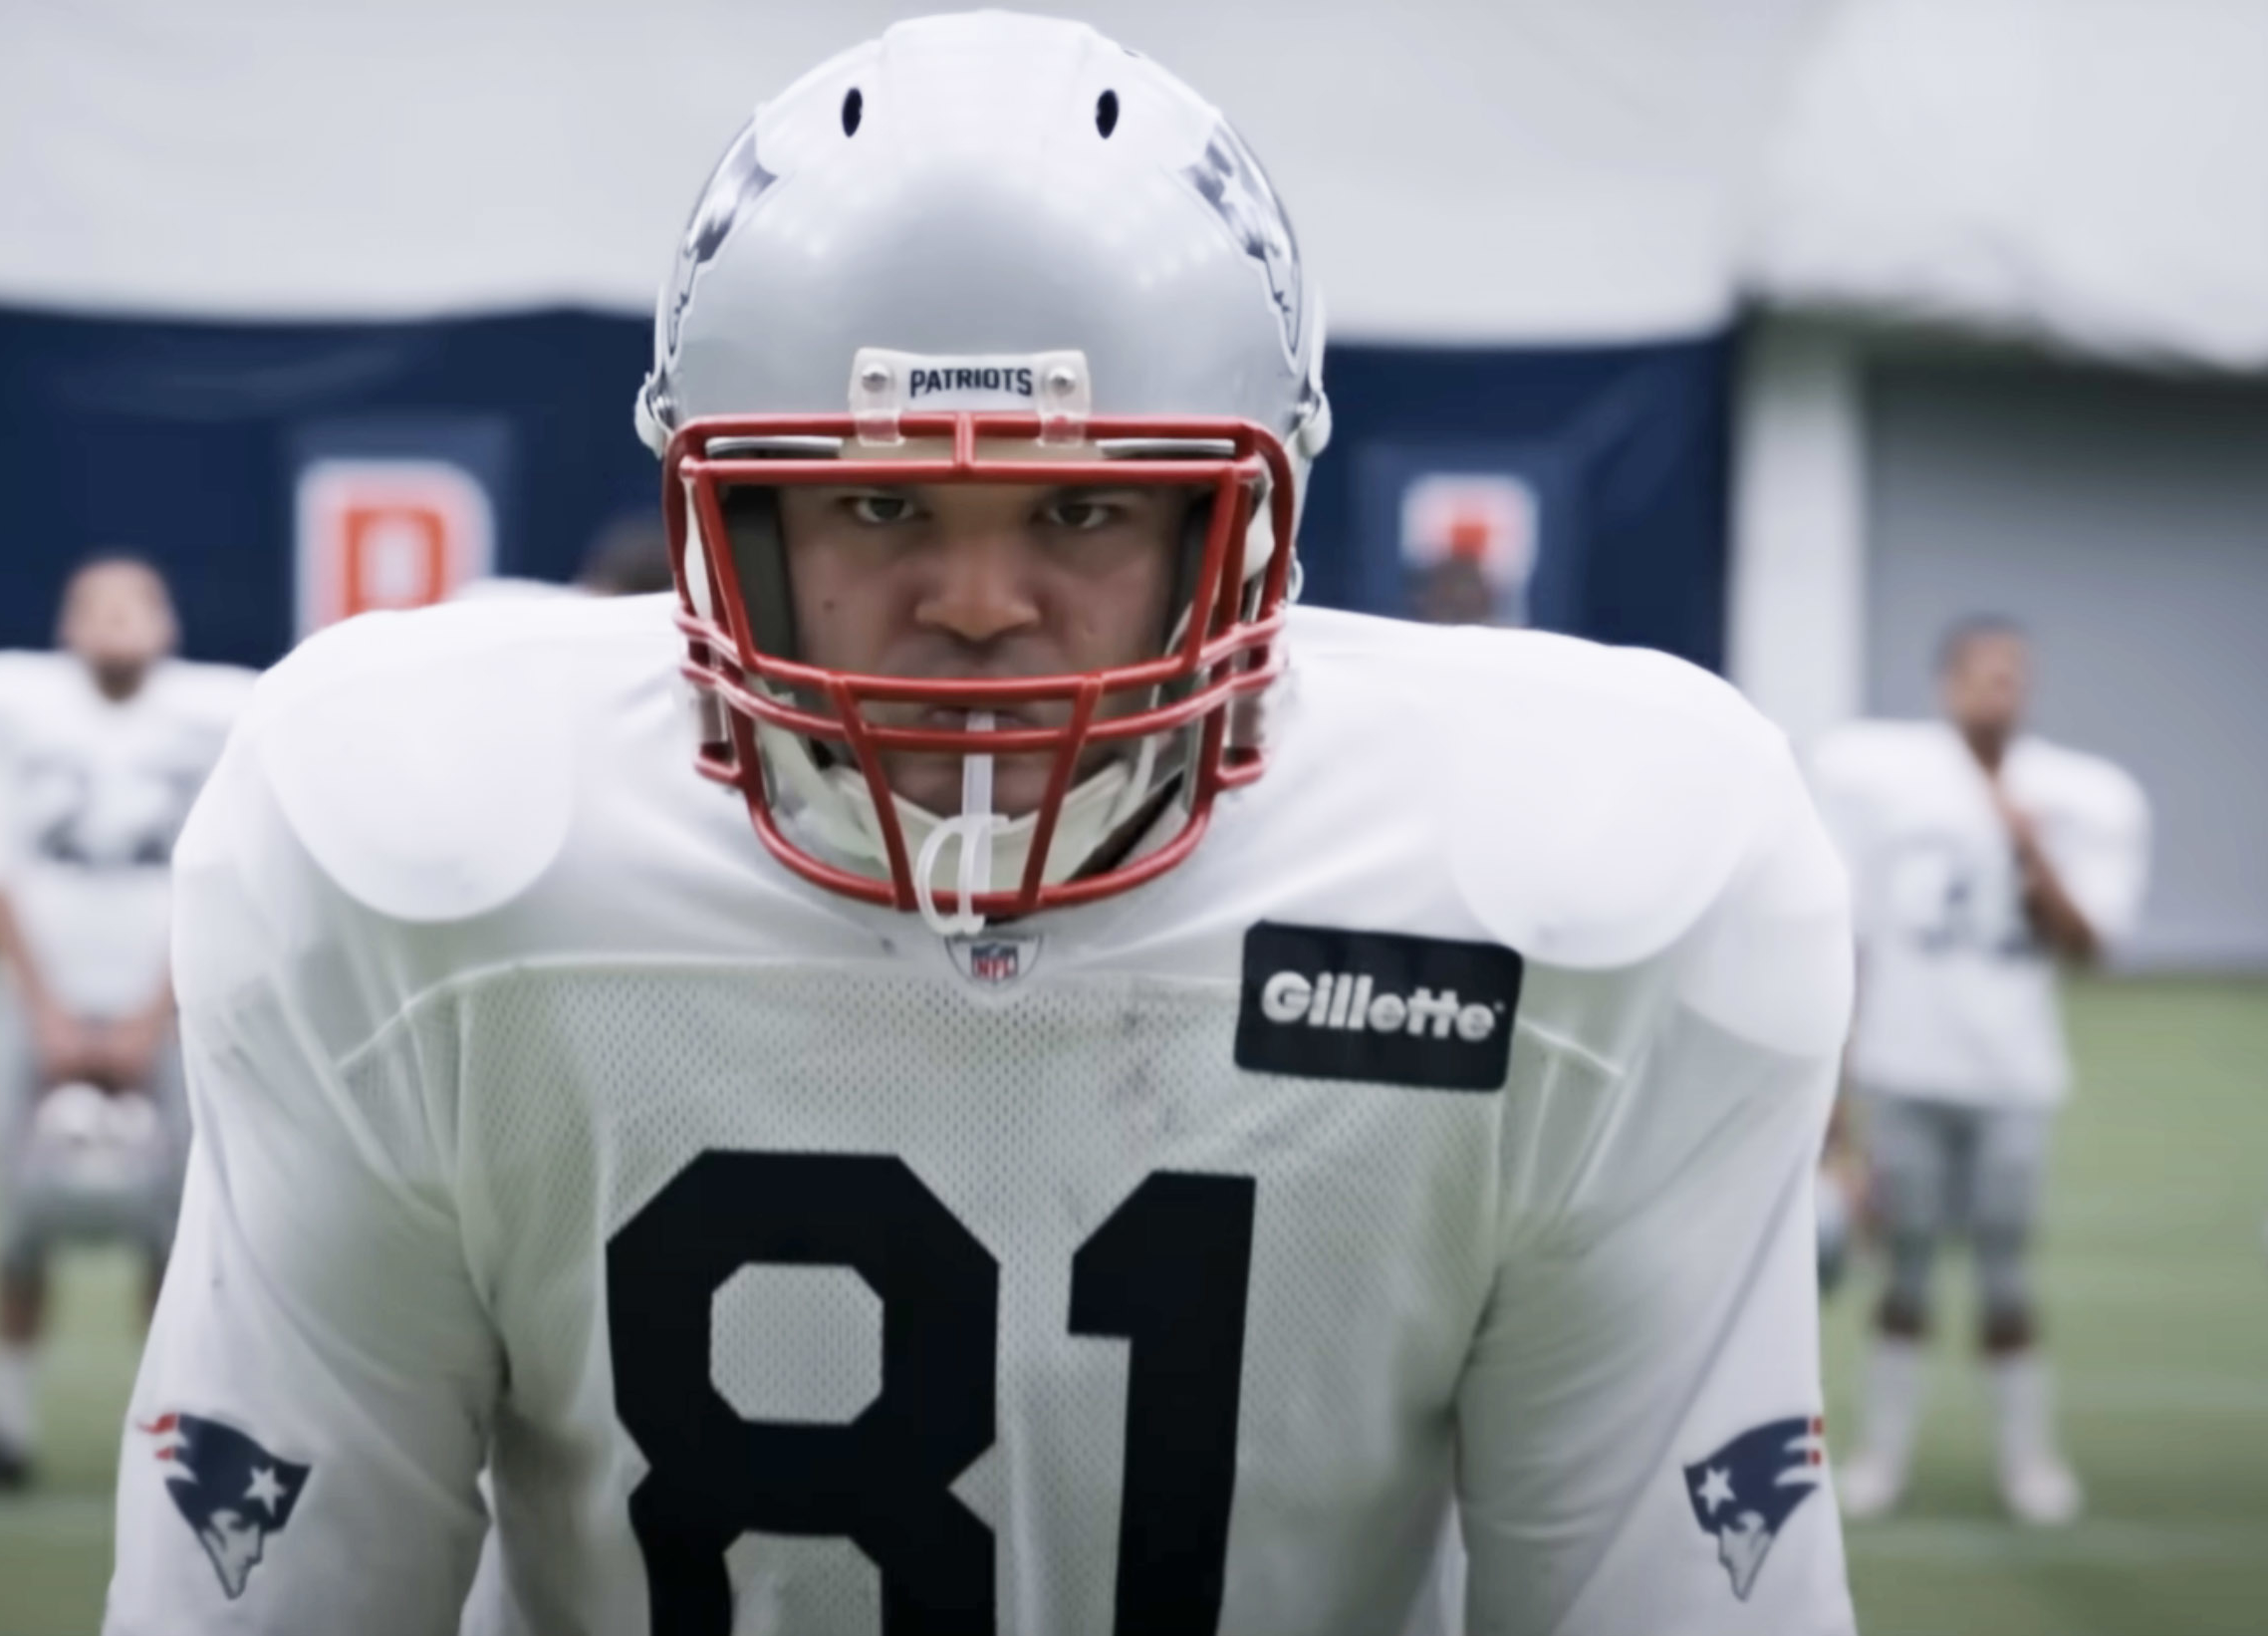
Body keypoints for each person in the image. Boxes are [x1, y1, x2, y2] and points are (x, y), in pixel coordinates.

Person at [106, 15, 1859, 1632]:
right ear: (731, 518)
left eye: (1087, 504)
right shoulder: (434, 848)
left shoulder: (1559, 881)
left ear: (1246, 524)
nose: (976, 602)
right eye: (876, 500)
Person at [0, 555, 254, 1492]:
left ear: (170, 622)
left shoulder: (229, 711)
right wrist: (49, 1013)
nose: (116, 620)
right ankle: (2, 1432)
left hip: (179, 1001)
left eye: (136, 602)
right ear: (66, 625)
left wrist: (158, 1012)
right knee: (20, 1224)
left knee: (182, 1235)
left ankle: (173, 1443)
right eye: (95, 606)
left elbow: (235, 876)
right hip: (40, 1000)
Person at [1815, 618, 2148, 1526]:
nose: (2001, 693)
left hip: (2013, 1074)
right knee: (1907, 1273)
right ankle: (1881, 1453)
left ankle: (2027, 1458)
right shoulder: (1882, 778)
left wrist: (2028, 846)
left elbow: (2090, 946)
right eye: (1985, 676)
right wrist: (1835, 1093)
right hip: (1909, 1066)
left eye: (2014, 678)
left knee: (2007, 1277)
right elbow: (1847, 933)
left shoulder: (2073, 794)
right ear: (1946, 683)